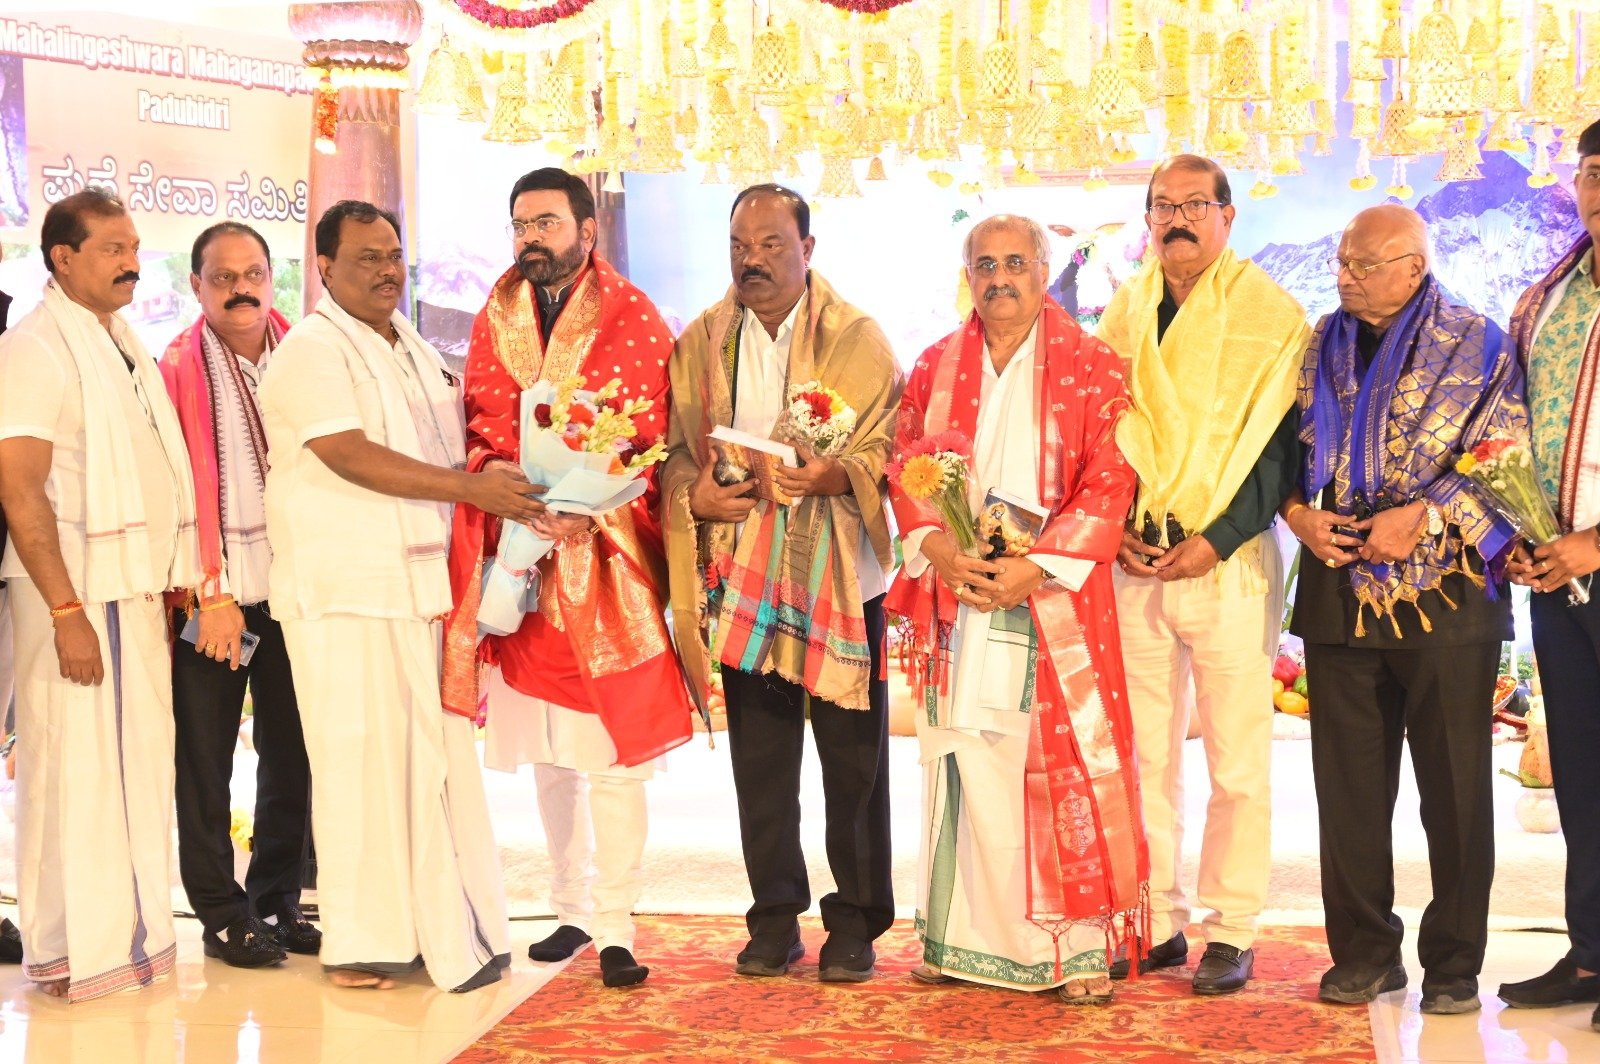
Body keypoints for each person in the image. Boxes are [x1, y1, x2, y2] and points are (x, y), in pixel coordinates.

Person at [258, 200, 535, 991]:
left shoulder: (405, 342)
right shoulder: (312, 350)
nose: (387, 271)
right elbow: (348, 454)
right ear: (325, 268)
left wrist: (495, 478)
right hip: (346, 592)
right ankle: (361, 944)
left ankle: (433, 927)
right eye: (367, 258)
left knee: (428, 764)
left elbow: (443, 447)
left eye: (392, 255)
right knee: (361, 766)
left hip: (415, 585)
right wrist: (470, 490)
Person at [443, 168, 694, 988]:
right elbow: (480, 418)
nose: (530, 237)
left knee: (613, 752)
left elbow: (648, 432)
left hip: (607, 561)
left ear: (588, 231)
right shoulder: (497, 311)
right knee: (551, 752)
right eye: (521, 223)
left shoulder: (633, 313)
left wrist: (593, 509)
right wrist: (497, 475)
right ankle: (569, 910)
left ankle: (617, 924)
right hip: (522, 551)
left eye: (546, 222)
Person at [886, 214, 1146, 1004]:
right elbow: (905, 466)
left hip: (1051, 604)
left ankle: (1076, 951)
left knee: (1055, 765)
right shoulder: (934, 365)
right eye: (985, 265)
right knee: (964, 760)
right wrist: (937, 547)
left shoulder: (1093, 367)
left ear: (1042, 270)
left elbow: (1111, 479)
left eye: (1014, 263)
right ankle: (958, 941)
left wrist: (1033, 568)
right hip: (958, 597)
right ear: (967, 274)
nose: (999, 278)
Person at [1281, 205, 1525, 1013]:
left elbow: (1507, 451)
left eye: (1364, 264)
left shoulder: (1479, 343)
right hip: (1338, 583)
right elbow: (1281, 449)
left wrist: (1424, 512)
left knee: (1455, 792)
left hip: (1446, 593)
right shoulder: (1317, 342)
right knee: (1347, 791)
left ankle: (1453, 966)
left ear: (1414, 268)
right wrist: (1297, 515)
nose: (1345, 277)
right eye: (1342, 262)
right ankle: (1363, 954)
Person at [662, 184, 902, 982]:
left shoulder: (856, 339)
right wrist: (696, 496)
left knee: (852, 764)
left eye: (771, 245)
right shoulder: (702, 340)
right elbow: (677, 453)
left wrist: (835, 476)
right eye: (740, 246)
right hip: (742, 575)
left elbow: (889, 447)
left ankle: (855, 922)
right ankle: (773, 917)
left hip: (840, 579)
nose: (753, 261)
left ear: (808, 249)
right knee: (760, 761)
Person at [1096, 154, 1309, 995]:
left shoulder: (1271, 314)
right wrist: (1114, 526)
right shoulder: (1124, 309)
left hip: (1229, 563)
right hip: (1138, 560)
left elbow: (1280, 448)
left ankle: (1234, 927)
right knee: (1143, 754)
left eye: (1193, 204)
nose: (1176, 219)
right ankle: (1154, 920)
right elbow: (1102, 431)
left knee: (1236, 761)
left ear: (1227, 216)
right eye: (1162, 205)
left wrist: (1216, 539)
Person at [0, 189, 201, 1000]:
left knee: (132, 771)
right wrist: (65, 611)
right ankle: (72, 951)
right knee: (73, 772)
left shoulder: (119, 340)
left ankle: (123, 942)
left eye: (135, 247)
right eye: (114, 248)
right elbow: (20, 488)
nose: (133, 262)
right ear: (63, 257)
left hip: (130, 589)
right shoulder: (35, 347)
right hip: (76, 596)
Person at [159, 221, 316, 970]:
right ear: (196, 286)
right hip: (213, 599)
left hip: (292, 589)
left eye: (252, 273)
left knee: (293, 752)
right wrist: (207, 594)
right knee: (206, 757)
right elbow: (169, 492)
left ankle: (278, 898)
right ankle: (221, 914)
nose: (241, 288)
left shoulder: (305, 353)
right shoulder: (172, 370)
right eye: (222, 277)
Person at [1499, 116, 1600, 1032]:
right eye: (1592, 172)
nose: (1599, 188)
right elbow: (1516, 424)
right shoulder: (1552, 296)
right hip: (1556, 567)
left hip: (1593, 552)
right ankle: (1592, 952)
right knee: (1582, 768)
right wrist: (1524, 534)